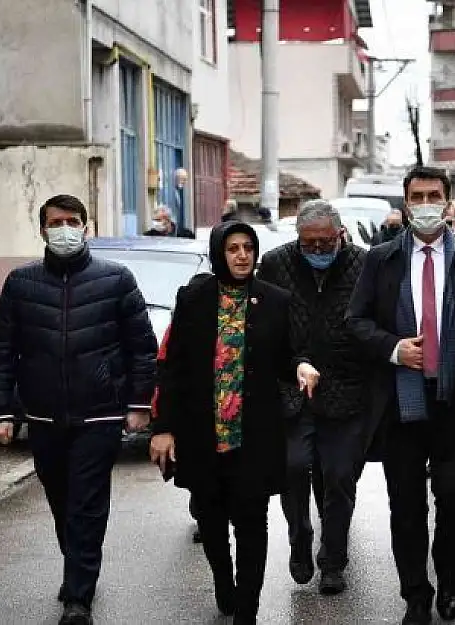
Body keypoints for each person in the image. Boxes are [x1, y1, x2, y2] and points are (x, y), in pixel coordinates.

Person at [346, 165, 455, 625]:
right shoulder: (381, 259)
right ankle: (415, 592)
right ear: (405, 202)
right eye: (416, 196)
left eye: (433, 194)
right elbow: (356, 321)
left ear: (449, 200)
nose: (425, 204)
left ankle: (449, 574)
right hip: (400, 402)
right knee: (406, 504)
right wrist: (395, 349)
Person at [0, 194, 157, 625]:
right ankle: (76, 565)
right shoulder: (20, 284)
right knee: (61, 500)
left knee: (87, 503)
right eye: (56, 222)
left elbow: (142, 349)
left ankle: (78, 598)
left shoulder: (117, 280)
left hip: (98, 415)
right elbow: (2, 351)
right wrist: (0, 411)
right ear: (42, 230)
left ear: (86, 227)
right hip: (43, 416)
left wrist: (139, 404)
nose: (64, 228)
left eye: (72, 221)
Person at [150, 221, 321, 624]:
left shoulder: (274, 300)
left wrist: (300, 366)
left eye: (248, 247)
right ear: (218, 253)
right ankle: (222, 578)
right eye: (233, 248)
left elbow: (288, 353)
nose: (242, 255)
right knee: (209, 519)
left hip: (253, 437)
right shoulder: (193, 298)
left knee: (252, 522)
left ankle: (248, 609)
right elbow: (172, 368)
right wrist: (162, 427)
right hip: (201, 435)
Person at [256, 200, 370, 596]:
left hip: (346, 389)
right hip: (291, 387)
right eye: (310, 244)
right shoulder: (275, 264)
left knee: (339, 477)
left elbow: (374, 323)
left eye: (326, 242)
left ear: (340, 235)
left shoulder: (363, 264)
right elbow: (266, 328)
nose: (318, 250)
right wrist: (293, 364)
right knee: (293, 467)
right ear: (298, 240)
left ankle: (333, 560)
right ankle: (300, 539)